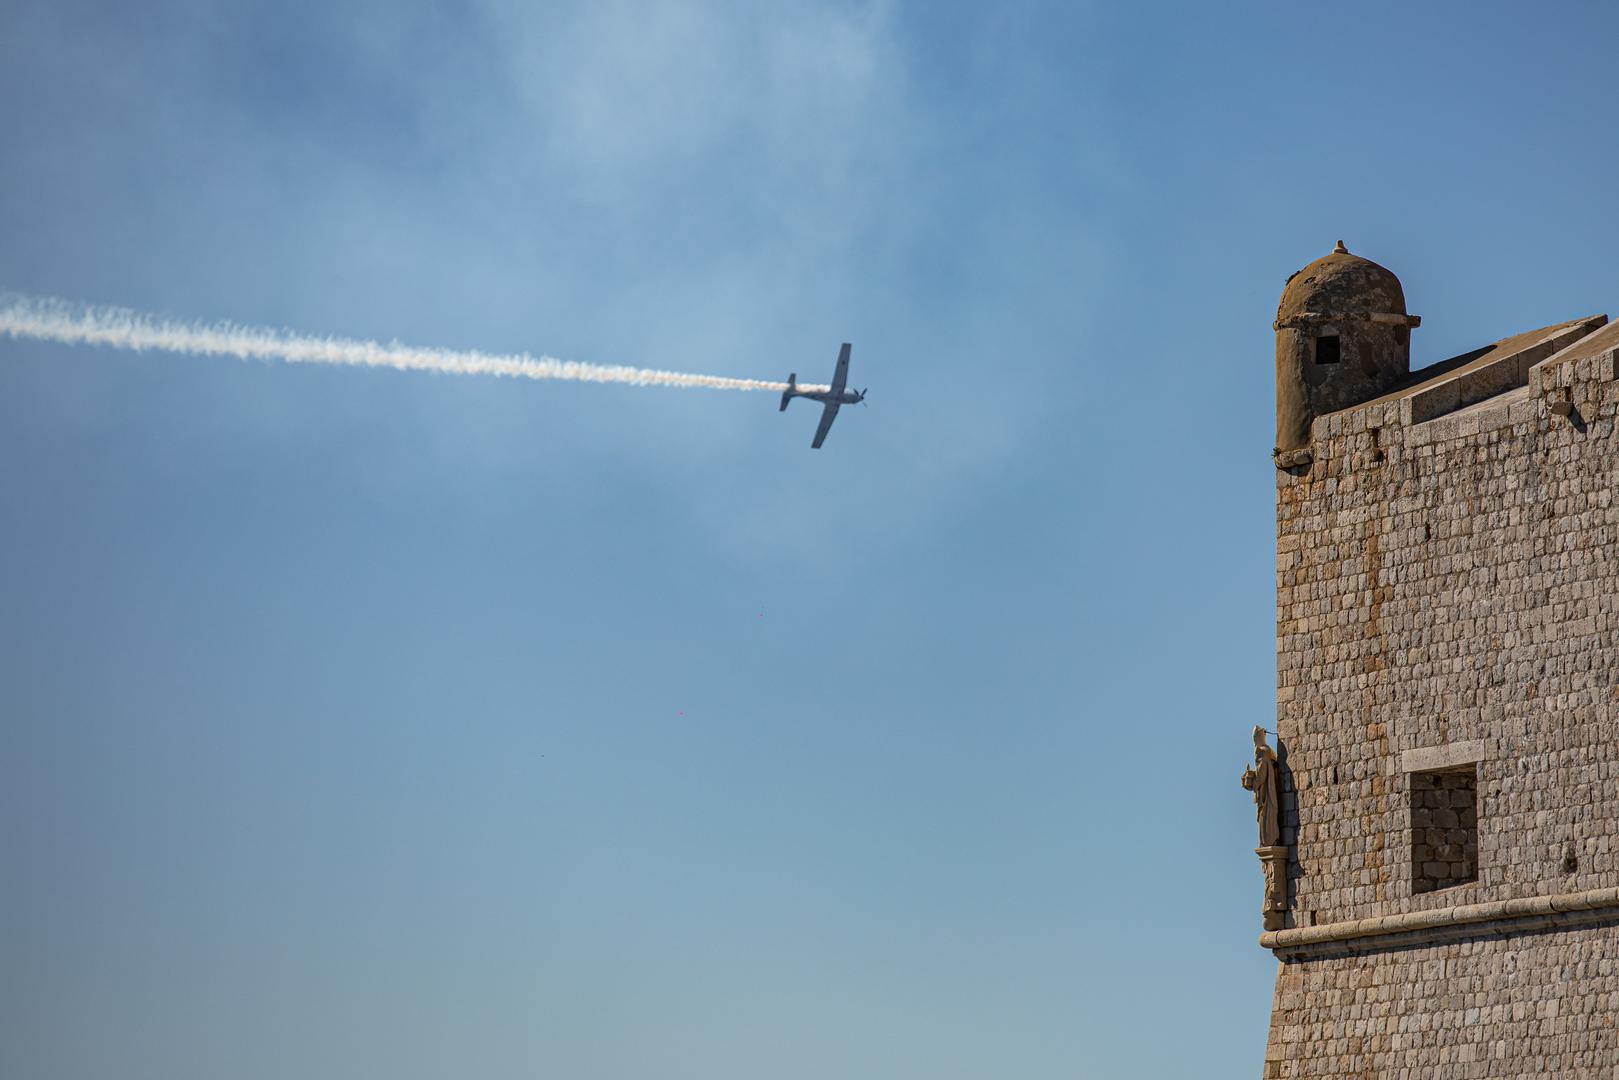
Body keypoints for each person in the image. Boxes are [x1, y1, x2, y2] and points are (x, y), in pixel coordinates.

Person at [1241, 726, 1281, 848]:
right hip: (1271, 791)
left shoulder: (1260, 751)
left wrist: (1251, 783)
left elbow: (1261, 775)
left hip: (1265, 795)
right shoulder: (1269, 751)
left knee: (1266, 818)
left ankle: (1269, 841)